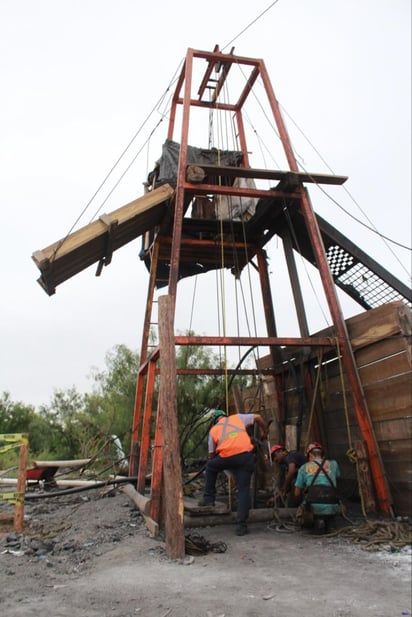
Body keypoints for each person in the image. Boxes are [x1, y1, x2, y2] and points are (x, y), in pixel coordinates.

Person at [199, 409, 268, 536]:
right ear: (225, 415)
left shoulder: (213, 430)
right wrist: (265, 431)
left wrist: (222, 462)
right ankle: (241, 525)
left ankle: (208, 498)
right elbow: (258, 417)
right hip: (245, 458)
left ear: (215, 420)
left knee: (210, 467)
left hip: (226, 457)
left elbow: (211, 455)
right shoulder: (238, 417)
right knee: (244, 490)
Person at [294, 442, 341, 534]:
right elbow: (337, 476)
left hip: (313, 505)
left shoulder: (304, 467)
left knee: (303, 509)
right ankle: (330, 520)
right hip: (333, 503)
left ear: (310, 455)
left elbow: (297, 493)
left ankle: (316, 521)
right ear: (322, 455)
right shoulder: (334, 464)